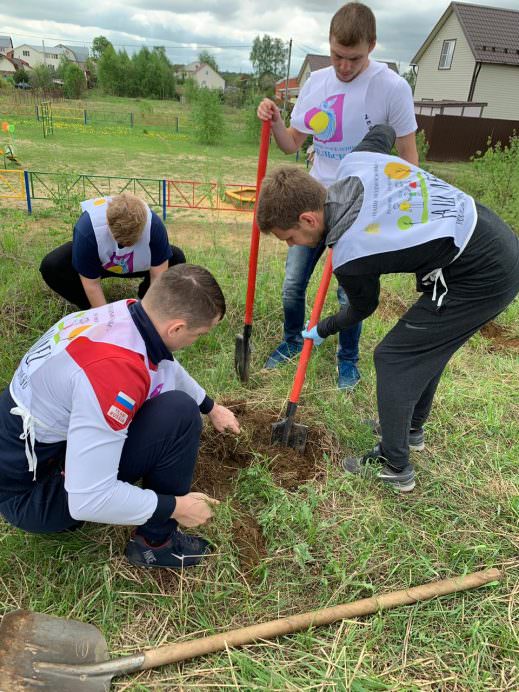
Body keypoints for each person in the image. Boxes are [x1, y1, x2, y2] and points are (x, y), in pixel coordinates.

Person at [256, 124, 519, 492]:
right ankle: (410, 429)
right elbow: (382, 129)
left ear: (308, 219)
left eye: (289, 239)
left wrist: (323, 328)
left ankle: (395, 465)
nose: (291, 246)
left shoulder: (352, 252)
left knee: (393, 356)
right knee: (427, 346)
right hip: (486, 235)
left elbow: (363, 307)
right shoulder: (357, 162)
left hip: (482, 273)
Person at [0, 264, 240, 569]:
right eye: (199, 334)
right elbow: (87, 499)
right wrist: (177, 507)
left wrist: (211, 407)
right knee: (179, 415)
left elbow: (165, 365)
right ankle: (156, 544)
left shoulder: (124, 316)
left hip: (26, 453)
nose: (196, 341)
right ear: (176, 328)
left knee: (179, 405)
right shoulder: (114, 375)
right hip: (30, 497)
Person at [257, 2, 418, 390]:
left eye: (354, 58)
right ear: (329, 45)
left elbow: (408, 158)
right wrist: (277, 120)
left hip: (359, 211)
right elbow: (290, 143)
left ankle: (347, 360)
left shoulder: (392, 88)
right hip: (310, 204)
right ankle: (292, 341)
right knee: (293, 284)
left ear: (373, 46)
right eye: (337, 56)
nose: (344, 66)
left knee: (351, 295)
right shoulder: (316, 84)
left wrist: (401, 207)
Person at [40, 193, 186, 309]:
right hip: (100, 263)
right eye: (119, 241)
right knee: (52, 265)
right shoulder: (87, 230)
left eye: (132, 241)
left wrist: (149, 311)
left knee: (176, 258)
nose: (124, 245)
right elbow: (92, 284)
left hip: (137, 262)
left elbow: (158, 276)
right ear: (108, 223)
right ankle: (89, 308)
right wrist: (106, 318)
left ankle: (142, 301)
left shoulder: (154, 225)